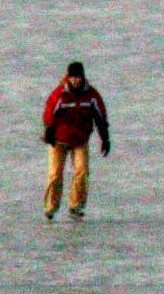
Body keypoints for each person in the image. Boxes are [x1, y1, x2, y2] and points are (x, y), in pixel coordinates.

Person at [41, 61, 111, 221]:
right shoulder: (60, 94)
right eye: (73, 77)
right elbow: (49, 112)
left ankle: (76, 206)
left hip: (80, 140)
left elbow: (100, 117)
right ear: (68, 77)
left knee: (82, 171)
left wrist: (105, 138)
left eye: (79, 77)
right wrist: (49, 129)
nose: (76, 80)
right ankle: (50, 208)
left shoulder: (91, 95)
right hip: (58, 141)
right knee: (55, 174)